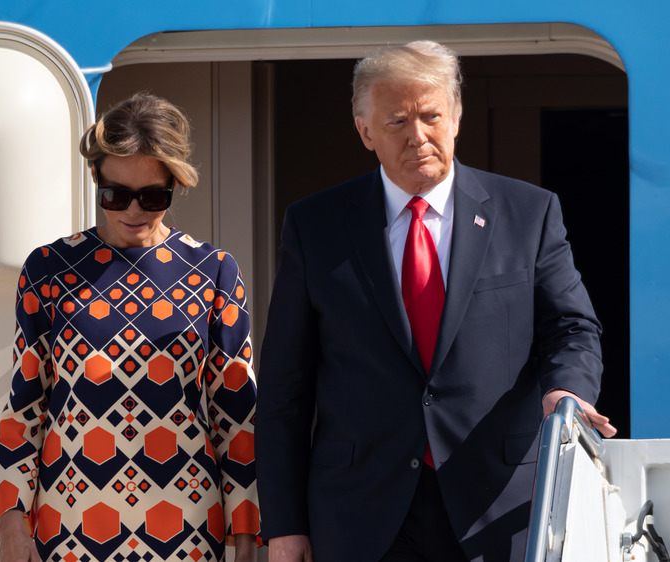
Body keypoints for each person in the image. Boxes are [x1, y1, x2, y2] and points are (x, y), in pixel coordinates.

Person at [254, 41, 616, 562]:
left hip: (495, 507)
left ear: (457, 118)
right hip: (360, 514)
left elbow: (572, 327)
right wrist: (284, 525)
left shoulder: (528, 213)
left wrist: (568, 392)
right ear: (365, 132)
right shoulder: (316, 226)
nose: (418, 136)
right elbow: (286, 386)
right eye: (398, 121)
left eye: (431, 116)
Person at [0, 93, 259, 562]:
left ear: (175, 185)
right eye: (115, 195)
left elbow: (236, 414)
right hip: (70, 527)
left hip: (188, 530)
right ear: (95, 178)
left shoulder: (213, 271)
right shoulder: (49, 268)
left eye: (153, 196)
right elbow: (25, 406)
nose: (133, 211)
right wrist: (12, 525)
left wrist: (246, 534)